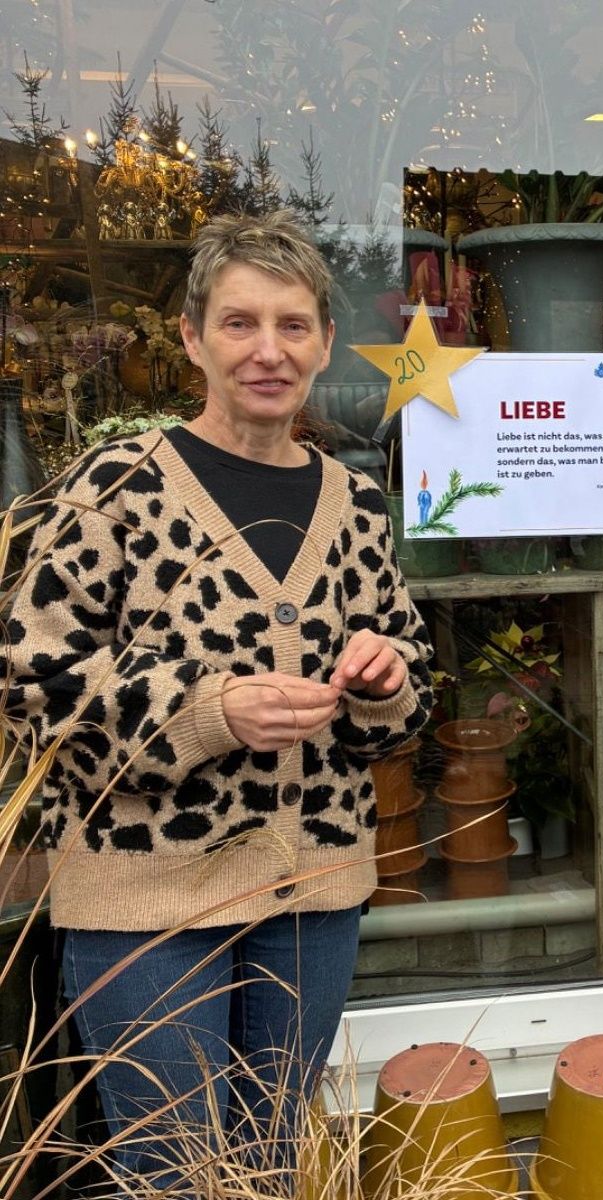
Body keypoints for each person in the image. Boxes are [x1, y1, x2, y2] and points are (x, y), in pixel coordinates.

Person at [3, 210, 434, 1191]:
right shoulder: (117, 486)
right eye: (240, 324)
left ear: (326, 343)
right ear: (193, 339)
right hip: (145, 900)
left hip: (312, 895)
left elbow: (409, 701)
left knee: (273, 1161)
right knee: (175, 1175)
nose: (268, 351)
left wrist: (387, 681)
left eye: (293, 326)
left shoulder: (353, 501)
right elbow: (33, 675)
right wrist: (209, 714)